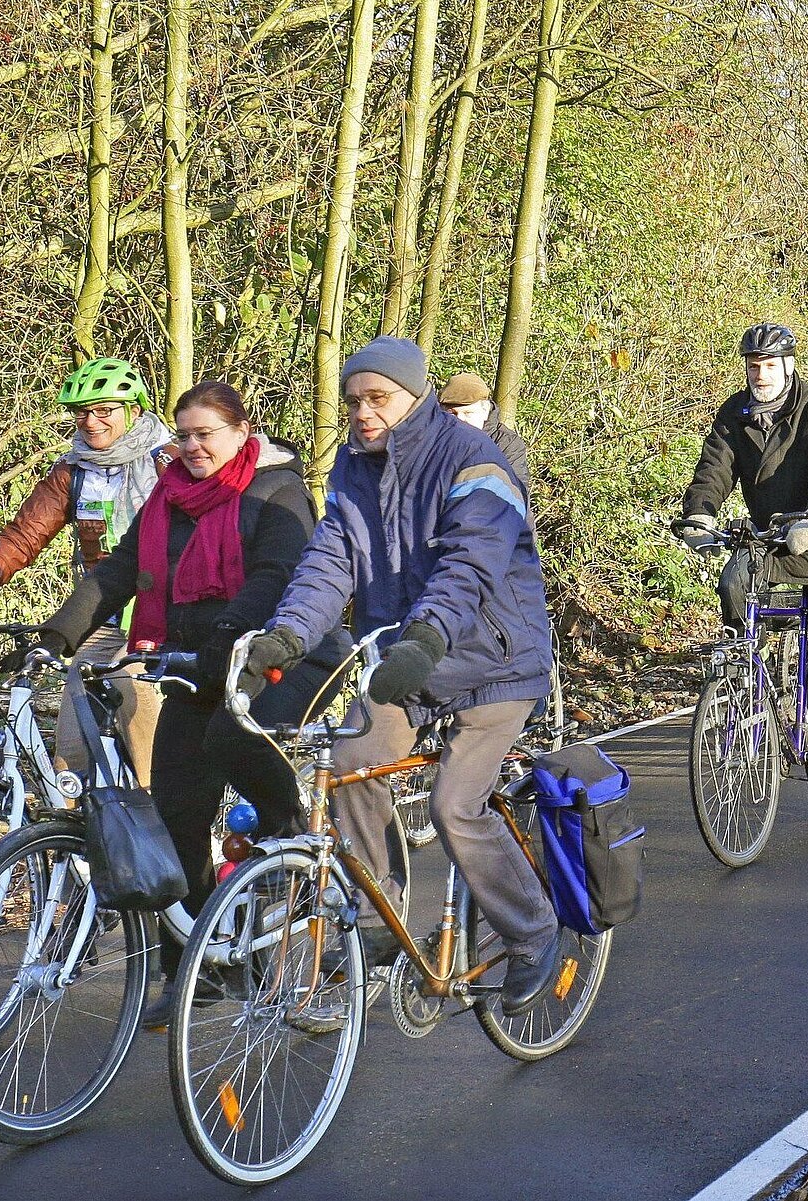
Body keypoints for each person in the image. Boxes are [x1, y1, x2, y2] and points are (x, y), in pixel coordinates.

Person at [238, 335, 563, 1017]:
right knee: (354, 758)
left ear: (414, 396)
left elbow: (469, 564)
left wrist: (429, 635)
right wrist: (290, 633)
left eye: (376, 397)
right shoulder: (356, 469)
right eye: (354, 399)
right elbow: (331, 562)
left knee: (454, 802)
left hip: (496, 659)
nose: (362, 411)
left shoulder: (476, 460)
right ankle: (380, 914)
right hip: (406, 657)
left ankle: (533, 929)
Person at [28, 380, 345, 1026]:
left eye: (207, 434)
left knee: (231, 742)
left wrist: (228, 641)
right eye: (185, 435)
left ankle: (294, 833)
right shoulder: (170, 495)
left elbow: (273, 582)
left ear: (240, 431)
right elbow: (116, 571)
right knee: (174, 813)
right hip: (197, 663)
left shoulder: (276, 490)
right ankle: (194, 968)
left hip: (283, 656)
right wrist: (59, 635)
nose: (194, 447)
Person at [0, 358, 173, 786]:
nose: (90, 422)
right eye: (81, 412)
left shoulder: (168, 462)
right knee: (72, 735)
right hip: (102, 611)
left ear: (134, 409)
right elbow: (23, 536)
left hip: (163, 610)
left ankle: (168, 810)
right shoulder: (72, 470)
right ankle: (71, 832)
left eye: (104, 410)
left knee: (133, 687)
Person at [677, 322, 808, 813]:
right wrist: (700, 511)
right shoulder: (734, 412)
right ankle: (749, 677)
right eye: (753, 365)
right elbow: (714, 469)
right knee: (733, 581)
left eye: (769, 365)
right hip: (768, 536)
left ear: (789, 366)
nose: (760, 374)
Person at [439, 371, 531, 493]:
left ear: (485, 410)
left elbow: (515, 493)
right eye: (453, 413)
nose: (460, 420)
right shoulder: (432, 439)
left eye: (468, 413)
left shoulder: (506, 443)